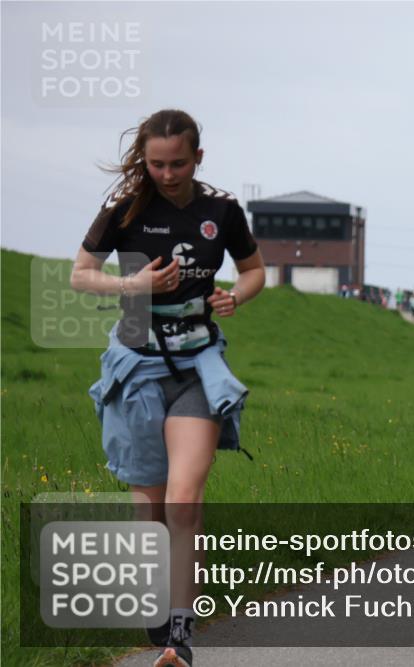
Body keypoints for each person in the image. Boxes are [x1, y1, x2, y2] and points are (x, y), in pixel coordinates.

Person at [69, 109, 265, 667]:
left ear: (197, 157)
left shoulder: (222, 209)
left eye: (178, 163)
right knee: (149, 507)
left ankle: (181, 633)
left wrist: (235, 295)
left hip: (199, 367)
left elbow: (255, 271)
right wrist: (133, 284)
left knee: (184, 499)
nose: (167, 174)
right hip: (136, 366)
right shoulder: (125, 208)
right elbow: (80, 274)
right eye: (156, 164)